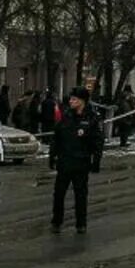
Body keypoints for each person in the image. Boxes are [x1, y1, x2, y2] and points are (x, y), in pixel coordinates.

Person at [49, 88, 104, 234]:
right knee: (59, 194)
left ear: (82, 101)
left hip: (81, 162)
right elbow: (56, 137)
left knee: (80, 194)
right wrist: (52, 156)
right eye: (71, 99)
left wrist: (96, 161)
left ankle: (81, 223)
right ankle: (56, 221)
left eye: (74, 99)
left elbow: (98, 141)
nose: (71, 102)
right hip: (65, 162)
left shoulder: (92, 118)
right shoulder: (66, 116)